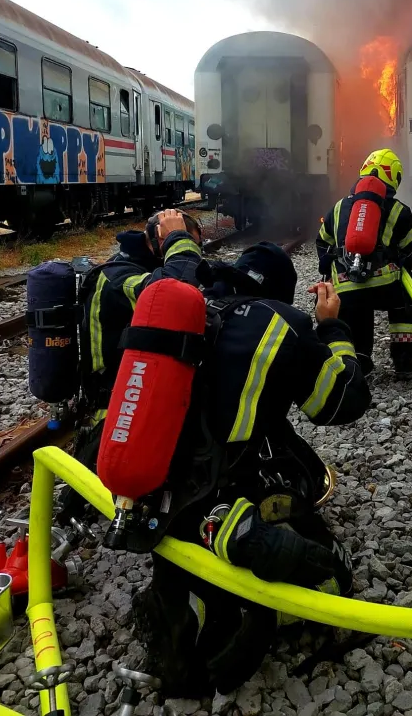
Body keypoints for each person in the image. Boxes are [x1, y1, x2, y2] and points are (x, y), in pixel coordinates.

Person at [132, 241, 372, 697]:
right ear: (283, 291)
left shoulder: (194, 308)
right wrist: (331, 327)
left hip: (159, 490)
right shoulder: (284, 324)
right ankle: (241, 560)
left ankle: (192, 590)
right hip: (224, 493)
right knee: (325, 570)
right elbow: (344, 401)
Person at [57, 208, 205, 524]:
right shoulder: (117, 278)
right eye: (180, 244)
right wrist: (179, 242)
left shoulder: (135, 266)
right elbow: (173, 291)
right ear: (160, 245)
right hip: (113, 409)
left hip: (132, 390)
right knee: (86, 495)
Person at [316, 148, 412, 378]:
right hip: (386, 287)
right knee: (405, 300)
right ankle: (403, 362)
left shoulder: (339, 207)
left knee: (354, 307)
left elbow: (322, 241)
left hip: (345, 286)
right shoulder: (401, 211)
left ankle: (358, 360)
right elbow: (408, 254)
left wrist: (329, 269)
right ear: (394, 178)